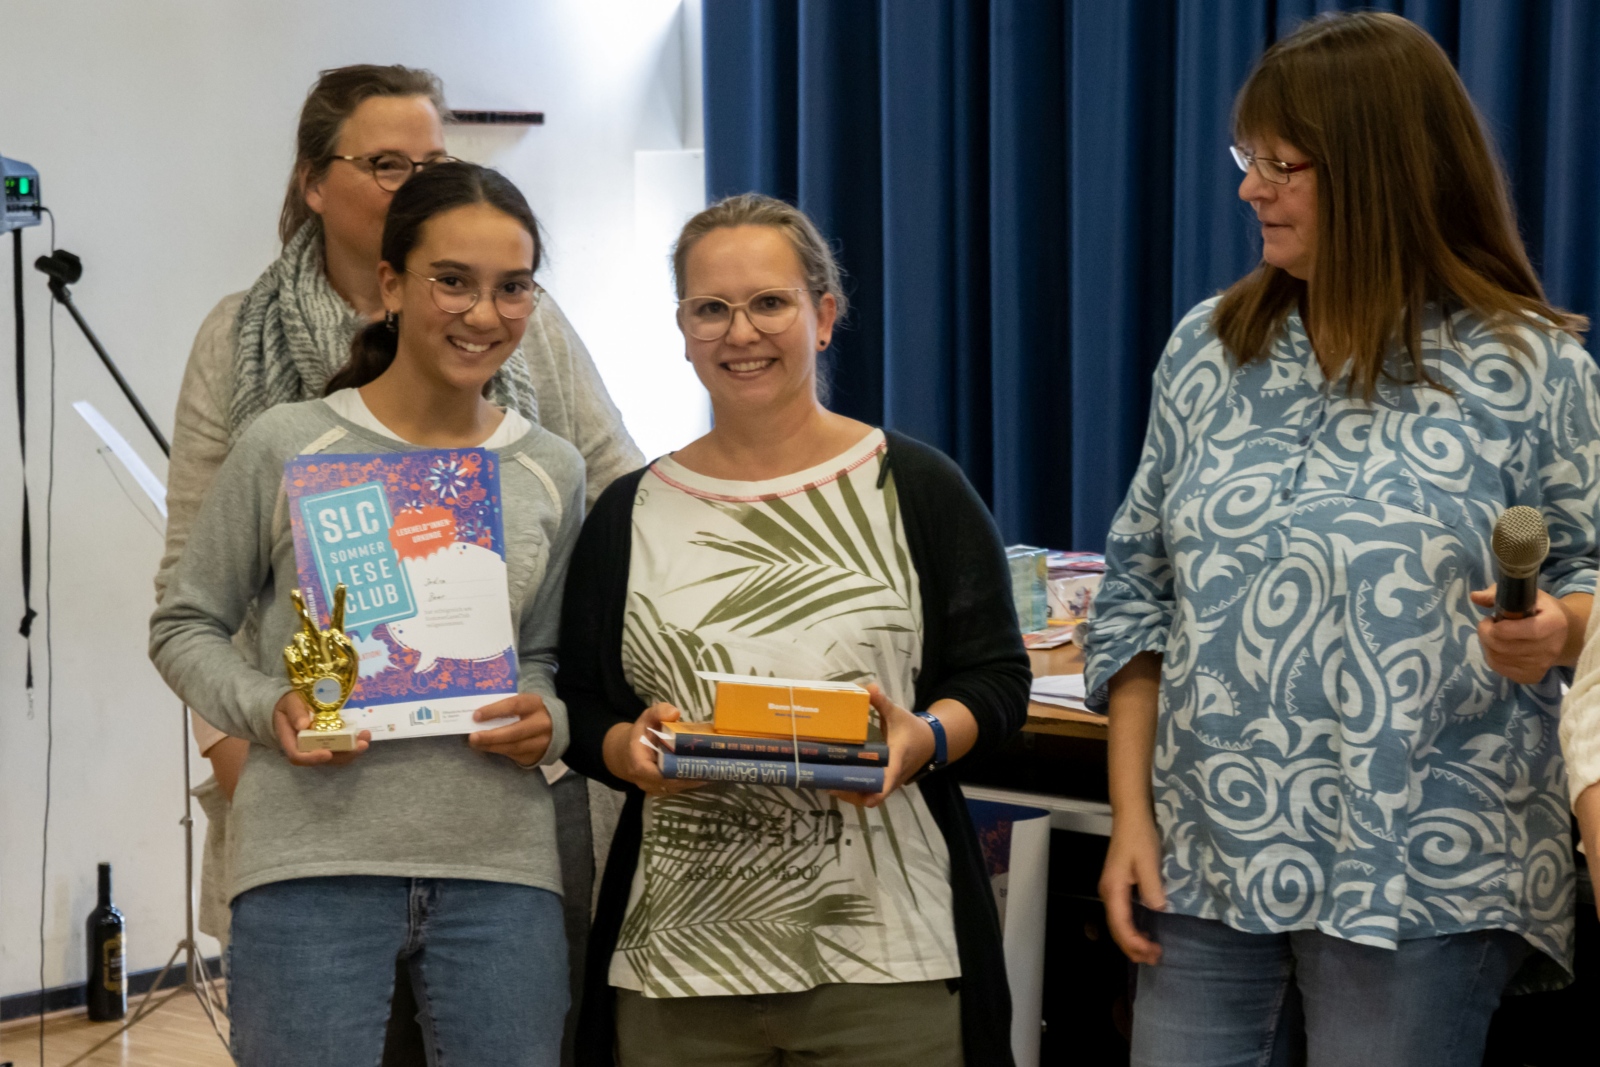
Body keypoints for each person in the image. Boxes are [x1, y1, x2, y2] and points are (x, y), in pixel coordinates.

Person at [1085, 12, 1600, 1067]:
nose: (1248, 189)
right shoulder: (1207, 347)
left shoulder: (1530, 367)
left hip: (1425, 864)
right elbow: (1138, 595)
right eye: (1248, 159)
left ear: (1381, 171)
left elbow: (1592, 586)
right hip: (1205, 855)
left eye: (1281, 164)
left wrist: (1555, 629)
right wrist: (1131, 815)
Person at [153, 63, 639, 1062]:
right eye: (451, 281)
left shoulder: (544, 463)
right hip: (311, 845)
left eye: (510, 287)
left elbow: (556, 645)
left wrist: (547, 711)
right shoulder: (285, 435)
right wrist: (256, 724)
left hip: (502, 854)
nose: (482, 310)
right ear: (393, 284)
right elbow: (186, 612)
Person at [555, 193, 1030, 1067]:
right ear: (684, 327)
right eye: (712, 308)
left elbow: (998, 682)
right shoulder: (630, 511)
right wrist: (628, 748)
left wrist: (919, 740)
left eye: (769, 302)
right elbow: (579, 703)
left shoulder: (915, 485)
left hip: (889, 956)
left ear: (824, 314)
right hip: (677, 965)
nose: (741, 333)